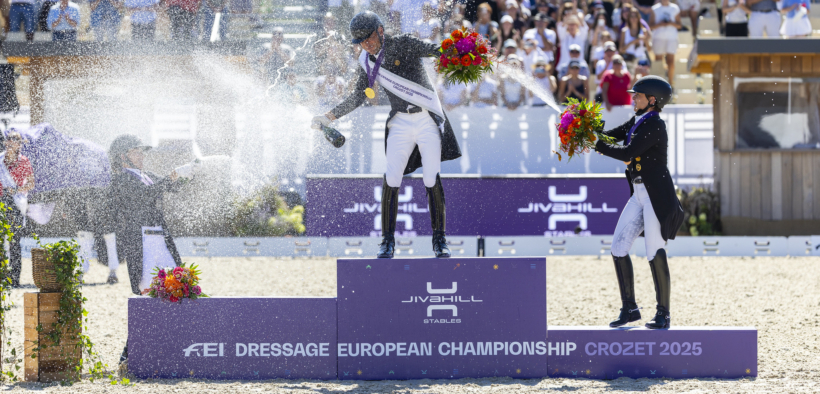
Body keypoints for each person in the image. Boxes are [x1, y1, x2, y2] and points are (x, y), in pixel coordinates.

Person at [311, 11, 462, 258]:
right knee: (392, 178)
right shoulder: (366, 60)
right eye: (360, 41)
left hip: (426, 119)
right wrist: (329, 117)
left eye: (368, 38)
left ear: (380, 31)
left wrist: (458, 52)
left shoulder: (402, 43)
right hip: (400, 121)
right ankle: (388, 242)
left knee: (431, 177)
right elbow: (360, 95)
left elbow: (432, 50)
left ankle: (439, 240)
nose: (365, 45)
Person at [594, 75, 684, 330]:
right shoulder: (637, 119)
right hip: (638, 194)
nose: (633, 98)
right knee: (618, 247)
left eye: (638, 95)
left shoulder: (656, 125)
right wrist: (587, 128)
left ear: (652, 100)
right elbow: (612, 137)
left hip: (655, 196)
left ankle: (663, 313)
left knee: (654, 250)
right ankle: (629, 308)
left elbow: (627, 152)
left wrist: (597, 145)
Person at [109, 135, 185, 296]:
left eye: (141, 152)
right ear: (123, 157)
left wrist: (186, 175)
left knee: (177, 283)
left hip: (161, 237)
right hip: (142, 240)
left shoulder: (148, 175)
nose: (142, 156)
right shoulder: (121, 179)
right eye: (136, 152)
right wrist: (167, 181)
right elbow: (144, 195)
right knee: (147, 286)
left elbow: (172, 187)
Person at [0, 130, 34, 287]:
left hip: (15, 202)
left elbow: (31, 184)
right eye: (11, 139)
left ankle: (14, 279)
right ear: (7, 142)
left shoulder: (24, 161)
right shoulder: (0, 159)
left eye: (17, 140)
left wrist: (17, 189)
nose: (14, 142)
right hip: (1, 202)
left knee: (14, 241)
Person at [650, 0, 680, 86]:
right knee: (659, 62)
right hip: (658, 38)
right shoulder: (655, 8)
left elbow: (679, 25)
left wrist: (670, 23)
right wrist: (660, 24)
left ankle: (670, 84)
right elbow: (651, 25)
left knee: (671, 62)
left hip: (671, 38)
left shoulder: (675, 8)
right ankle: (660, 84)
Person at [620, 5, 651, 70]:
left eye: (635, 16)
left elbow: (649, 49)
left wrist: (645, 40)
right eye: (631, 16)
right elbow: (621, 49)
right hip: (628, 60)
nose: (634, 18)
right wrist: (632, 42)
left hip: (641, 61)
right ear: (629, 18)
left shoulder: (644, 31)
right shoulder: (624, 31)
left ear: (638, 18)